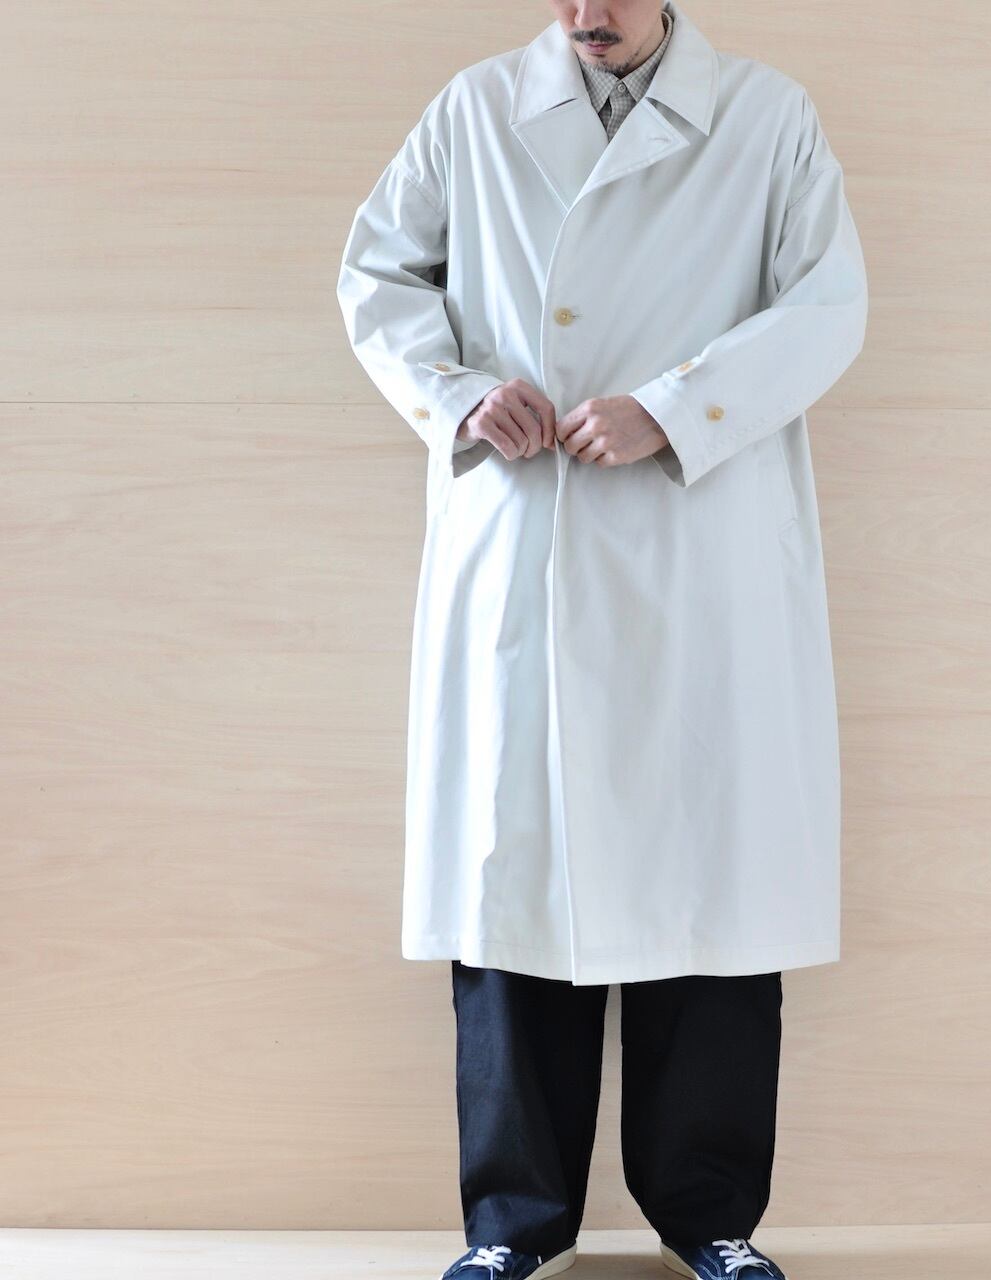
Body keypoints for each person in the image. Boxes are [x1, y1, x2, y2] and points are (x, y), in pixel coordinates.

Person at [335, 2, 869, 1278]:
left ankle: (711, 1215)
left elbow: (827, 304)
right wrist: (463, 393)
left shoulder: (765, 119)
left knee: (712, 889)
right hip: (525, 539)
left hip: (699, 542)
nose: (585, 17)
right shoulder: (474, 111)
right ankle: (510, 1223)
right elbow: (375, 278)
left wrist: (675, 410)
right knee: (511, 880)